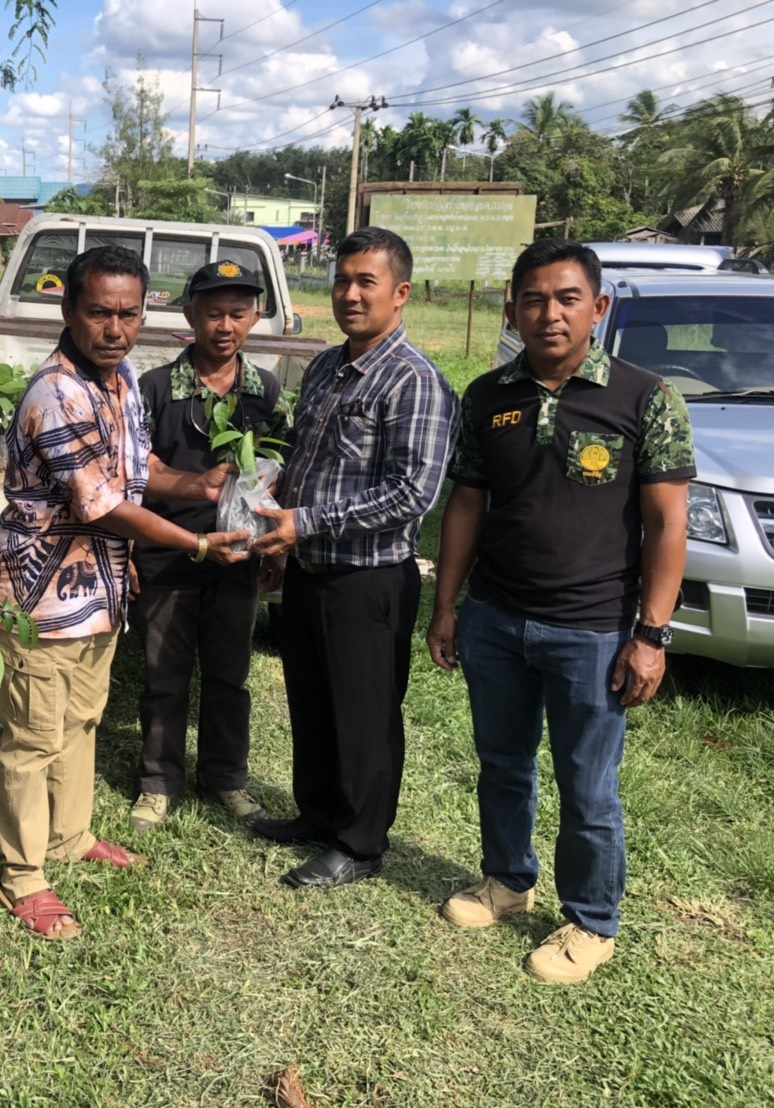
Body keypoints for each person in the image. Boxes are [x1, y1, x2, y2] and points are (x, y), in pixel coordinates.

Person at [428, 239, 693, 984]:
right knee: (502, 763)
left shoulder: (646, 398)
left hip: (594, 630)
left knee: (588, 786)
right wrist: (447, 606)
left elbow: (667, 522)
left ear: (597, 307)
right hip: (495, 619)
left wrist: (651, 634)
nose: (550, 314)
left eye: (568, 298)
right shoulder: (488, 395)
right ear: (512, 311)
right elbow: (467, 503)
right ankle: (507, 880)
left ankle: (592, 921)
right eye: (534, 300)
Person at [0, 245, 250, 941]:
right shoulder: (55, 394)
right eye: (100, 312)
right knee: (32, 738)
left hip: (98, 593)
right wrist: (195, 543)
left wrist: (196, 485)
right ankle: (23, 874)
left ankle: (69, 836)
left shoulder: (121, 379)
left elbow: (134, 467)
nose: (115, 329)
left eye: (129, 315)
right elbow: (101, 503)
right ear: (69, 311)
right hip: (39, 601)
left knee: (80, 721)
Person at [249, 226, 458, 889]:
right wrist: (278, 519)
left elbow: (412, 492)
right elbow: (304, 460)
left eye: (367, 282)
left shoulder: (414, 381)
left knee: (364, 716)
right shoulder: (326, 367)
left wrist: (304, 522)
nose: (350, 294)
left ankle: (361, 843)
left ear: (401, 293)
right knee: (312, 701)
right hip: (309, 566)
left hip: (368, 579)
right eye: (342, 281)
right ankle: (318, 813)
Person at [128, 261, 290, 833]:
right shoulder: (153, 388)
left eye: (238, 314)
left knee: (228, 675)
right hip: (169, 552)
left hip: (238, 557)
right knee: (164, 675)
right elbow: (132, 472)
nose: (225, 326)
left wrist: (276, 549)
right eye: (214, 313)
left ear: (255, 317)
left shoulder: (265, 392)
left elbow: (281, 471)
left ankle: (226, 777)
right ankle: (157, 781)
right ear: (190, 315)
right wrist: (131, 550)